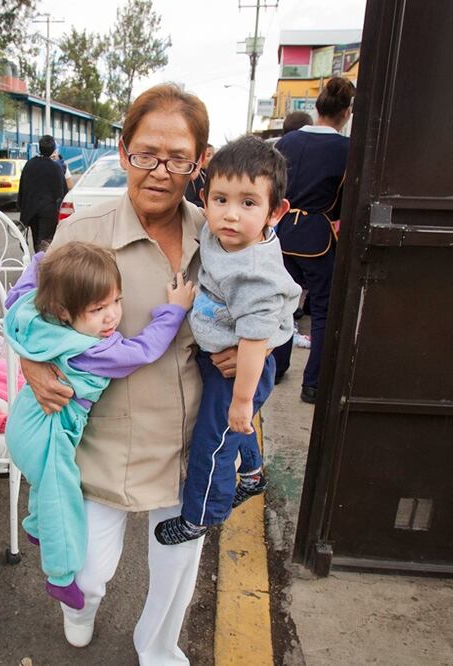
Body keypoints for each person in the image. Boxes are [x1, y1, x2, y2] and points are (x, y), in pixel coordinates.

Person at [21, 83, 215, 662]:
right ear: (123, 147)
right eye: (144, 153)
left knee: (176, 569)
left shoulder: (220, 234)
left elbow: (270, 307)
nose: (159, 171)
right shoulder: (85, 228)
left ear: (198, 161)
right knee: (89, 569)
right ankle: (79, 605)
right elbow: (23, 305)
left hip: (187, 439)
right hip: (99, 436)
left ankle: (158, 648)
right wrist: (32, 362)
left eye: (178, 157)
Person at [4, 242, 194, 610]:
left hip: (26, 422)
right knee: (63, 499)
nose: (112, 317)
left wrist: (44, 260)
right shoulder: (92, 351)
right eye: (97, 309)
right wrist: (174, 311)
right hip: (49, 431)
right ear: (63, 311)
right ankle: (60, 577)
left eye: (116, 302)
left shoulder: (28, 314)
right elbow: (143, 350)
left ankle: (34, 527)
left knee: (46, 483)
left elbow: (22, 288)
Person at [154, 136, 301, 545]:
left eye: (248, 204)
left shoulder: (253, 272)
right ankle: (252, 474)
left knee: (213, 443)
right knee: (234, 430)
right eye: (221, 200)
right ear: (205, 200)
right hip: (225, 358)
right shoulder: (221, 236)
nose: (230, 215)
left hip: (241, 371)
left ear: (276, 212)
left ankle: (201, 515)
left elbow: (255, 343)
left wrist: (241, 398)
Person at [271, 77, 355, 402]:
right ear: (346, 113)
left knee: (281, 304)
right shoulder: (347, 150)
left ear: (318, 106)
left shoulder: (286, 141)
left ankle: (276, 368)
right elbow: (344, 200)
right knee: (322, 309)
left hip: (281, 234)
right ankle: (313, 383)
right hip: (318, 236)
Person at [18, 134, 66, 250]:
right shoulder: (56, 168)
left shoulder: (30, 165)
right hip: (49, 211)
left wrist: (21, 207)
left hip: (32, 210)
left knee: (36, 241)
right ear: (53, 149)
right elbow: (62, 191)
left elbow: (23, 187)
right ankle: (43, 265)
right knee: (46, 243)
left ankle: (37, 263)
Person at [183, 143, 213, 208]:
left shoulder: (205, 173)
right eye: (208, 155)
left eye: (213, 155)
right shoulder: (191, 176)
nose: (212, 158)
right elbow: (188, 201)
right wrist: (210, 203)